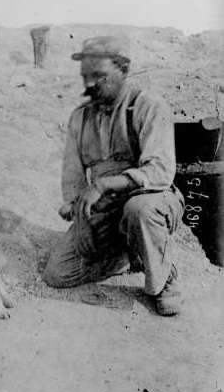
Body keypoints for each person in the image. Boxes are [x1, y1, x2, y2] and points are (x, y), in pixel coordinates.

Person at [43, 36, 185, 316]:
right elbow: (72, 177)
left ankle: (164, 277)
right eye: (86, 76)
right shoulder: (80, 117)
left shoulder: (148, 106)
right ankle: (130, 255)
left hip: (151, 200)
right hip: (105, 208)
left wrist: (106, 183)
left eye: (99, 76)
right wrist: (80, 216)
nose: (90, 84)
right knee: (57, 274)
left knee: (139, 211)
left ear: (123, 70)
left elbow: (160, 171)